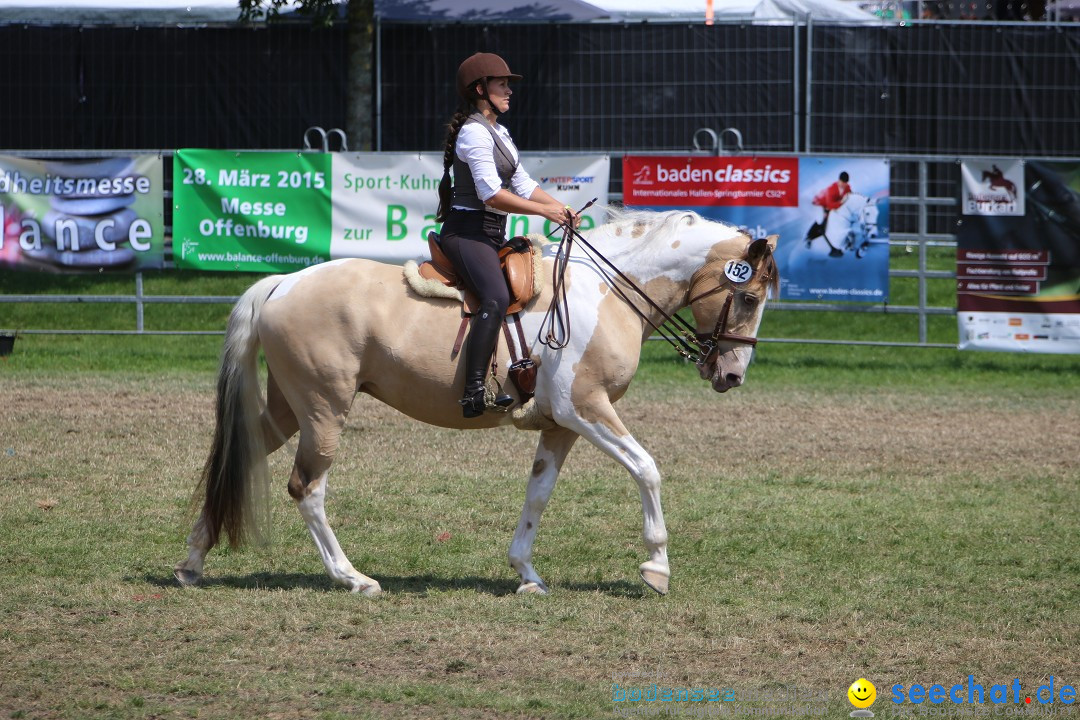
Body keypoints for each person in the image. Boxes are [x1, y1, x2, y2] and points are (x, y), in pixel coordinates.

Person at [435, 52, 579, 419]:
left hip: (491, 234)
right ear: (480, 89)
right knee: (496, 297)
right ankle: (473, 391)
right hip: (467, 233)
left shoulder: (499, 132)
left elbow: (523, 184)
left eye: (507, 85)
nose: (508, 91)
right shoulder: (472, 132)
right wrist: (545, 213)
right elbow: (490, 194)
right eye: (501, 84)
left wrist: (559, 208)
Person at [808, 171, 852, 257]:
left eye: (845, 183)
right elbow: (830, 205)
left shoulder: (848, 188)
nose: (843, 185)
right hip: (820, 203)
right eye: (842, 182)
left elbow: (850, 198)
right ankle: (808, 237)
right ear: (839, 180)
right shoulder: (831, 189)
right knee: (821, 219)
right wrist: (842, 202)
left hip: (832, 205)